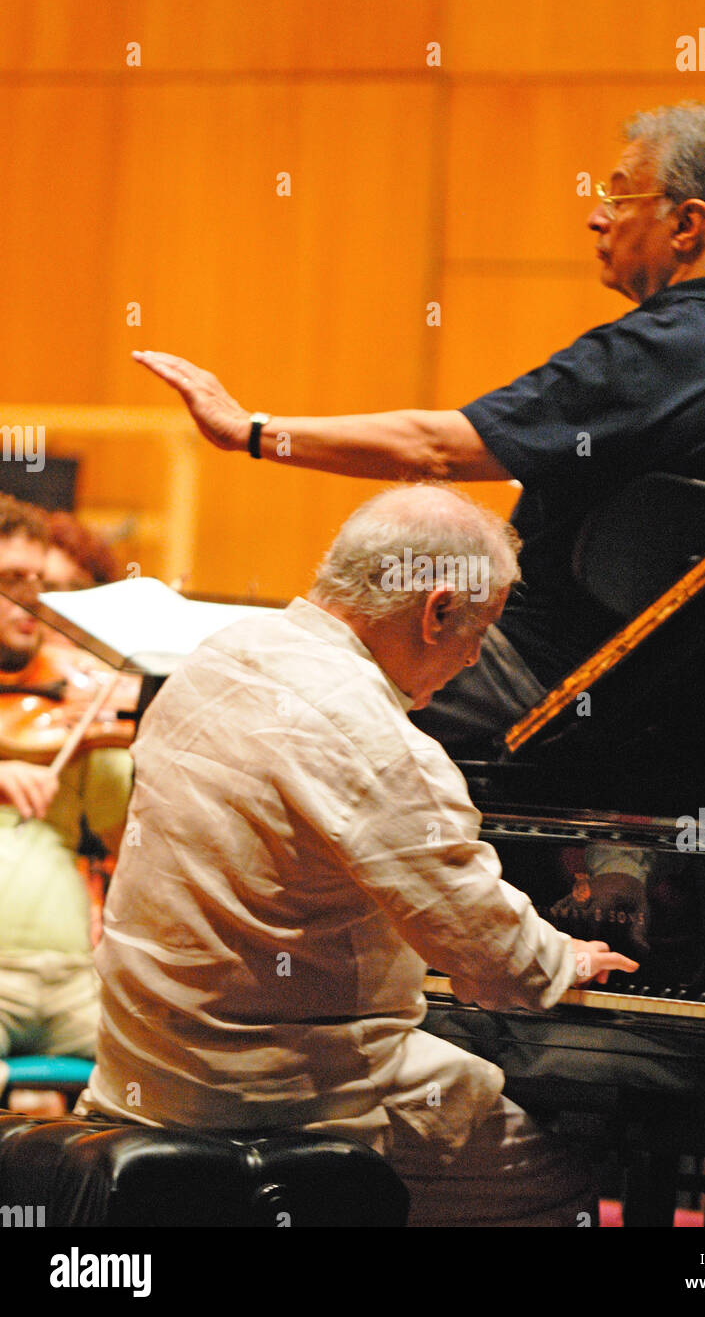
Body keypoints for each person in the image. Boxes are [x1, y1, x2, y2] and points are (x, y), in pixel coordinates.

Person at [129, 102, 705, 952]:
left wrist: (250, 431)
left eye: (620, 196)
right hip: (678, 704)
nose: (596, 214)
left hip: (540, 679)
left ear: (690, 224)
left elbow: (439, 446)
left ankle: (233, 958)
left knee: (224, 694)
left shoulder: (655, 351)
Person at [75, 484, 637, 1226]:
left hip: (138, 1063)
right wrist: (566, 957)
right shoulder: (377, 738)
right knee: (555, 1183)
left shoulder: (215, 660)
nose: (473, 661)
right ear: (437, 611)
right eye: (481, 633)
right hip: (275, 1096)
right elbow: (495, 959)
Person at [0, 495, 132, 1107]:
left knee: (169, 1073)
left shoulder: (73, 704)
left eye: (36, 583)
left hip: (72, 977)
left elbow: (123, 833)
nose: (30, 601)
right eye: (9, 582)